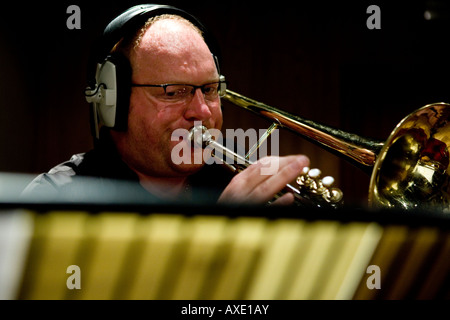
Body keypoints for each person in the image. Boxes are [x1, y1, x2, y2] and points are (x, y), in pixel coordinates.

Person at [22, 4, 309, 206]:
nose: (202, 111)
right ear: (114, 101)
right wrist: (221, 233)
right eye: (173, 92)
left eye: (209, 90)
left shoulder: (231, 181)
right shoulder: (55, 199)